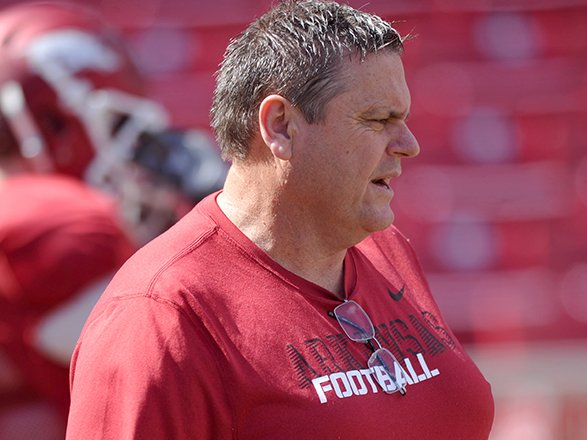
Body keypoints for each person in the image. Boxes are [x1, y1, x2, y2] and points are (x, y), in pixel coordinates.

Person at [67, 1, 495, 439]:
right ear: (281, 126)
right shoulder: (160, 315)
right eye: (378, 120)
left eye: (402, 119)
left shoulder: (386, 250)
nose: (409, 144)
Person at [0, 2, 226, 438]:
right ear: (54, 125)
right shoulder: (59, 223)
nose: (135, 152)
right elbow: (196, 363)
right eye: (121, 124)